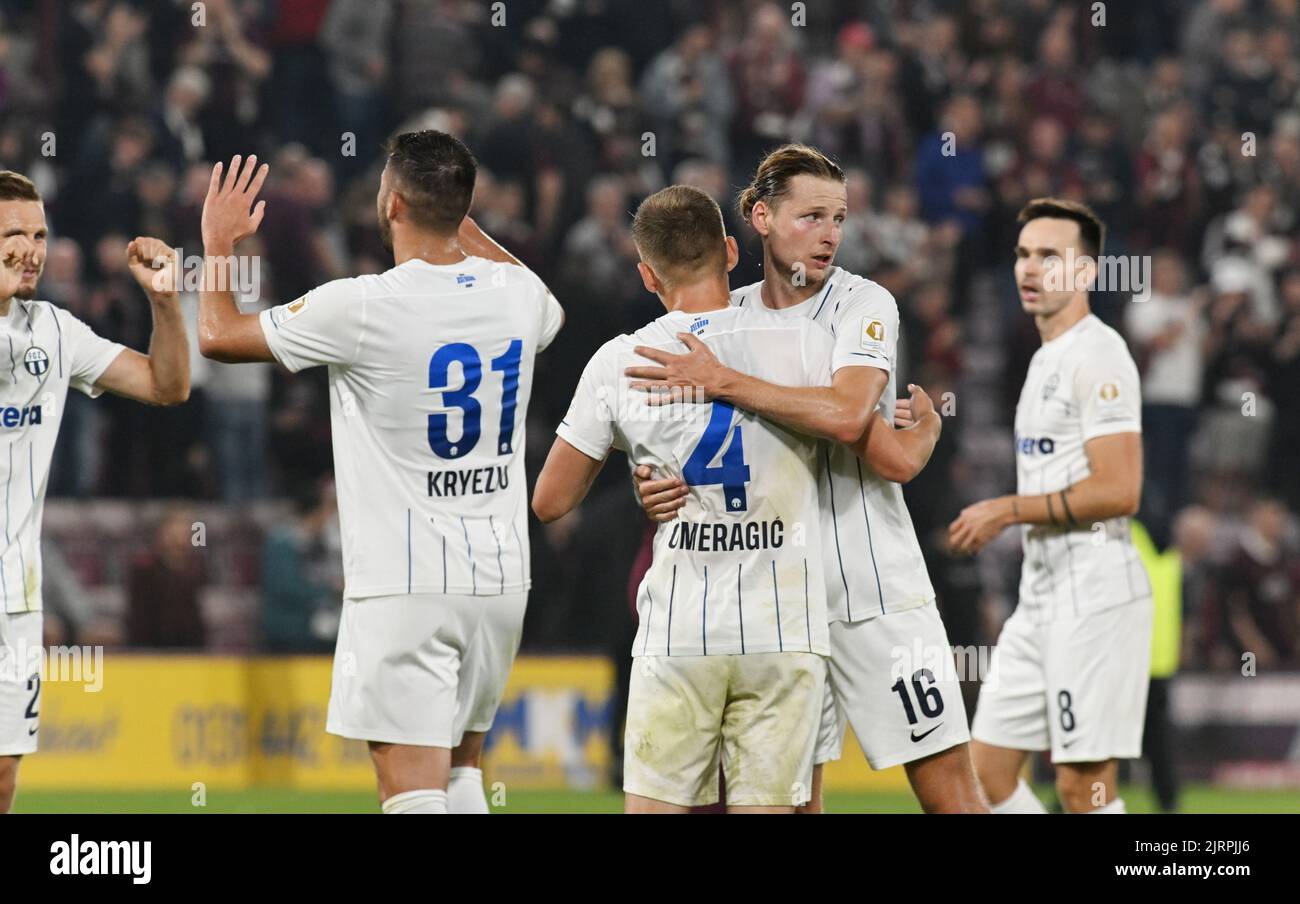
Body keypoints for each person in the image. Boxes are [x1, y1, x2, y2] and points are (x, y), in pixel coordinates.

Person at [196, 132, 564, 815]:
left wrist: (219, 245)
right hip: (500, 579)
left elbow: (217, 336)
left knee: (410, 790)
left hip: (407, 582)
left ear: (390, 203)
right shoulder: (517, 293)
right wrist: (459, 219)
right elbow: (549, 306)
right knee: (461, 777)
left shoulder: (360, 305)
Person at [626, 145, 985, 813]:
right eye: (811, 216)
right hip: (779, 602)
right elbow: (676, 438)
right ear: (761, 217)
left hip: (877, 587)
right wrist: (651, 482)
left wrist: (727, 381)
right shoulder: (724, 321)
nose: (829, 235)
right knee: (791, 805)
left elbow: (850, 415)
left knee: (950, 798)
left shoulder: (863, 304)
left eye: (839, 219)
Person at [532, 184, 832, 813]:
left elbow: (551, 500)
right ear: (730, 250)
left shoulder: (620, 361)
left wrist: (641, 459)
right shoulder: (804, 342)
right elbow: (861, 435)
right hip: (784, 628)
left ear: (646, 275)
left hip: (682, 630)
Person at [950, 197, 1152, 814]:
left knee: (1083, 787)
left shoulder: (1100, 354)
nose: (1029, 269)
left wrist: (1007, 509)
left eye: (1049, 256)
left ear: (1088, 272)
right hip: (1040, 596)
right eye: (1022, 254)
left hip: (1093, 593)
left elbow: (1120, 490)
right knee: (984, 774)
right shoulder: (1042, 359)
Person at [0, 170, 191, 814]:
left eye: (39, 234)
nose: (30, 249)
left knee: (2, 776)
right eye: (12, 234)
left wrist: (164, 305)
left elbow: (166, 386)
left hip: (13, 597)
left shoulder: (54, 332)